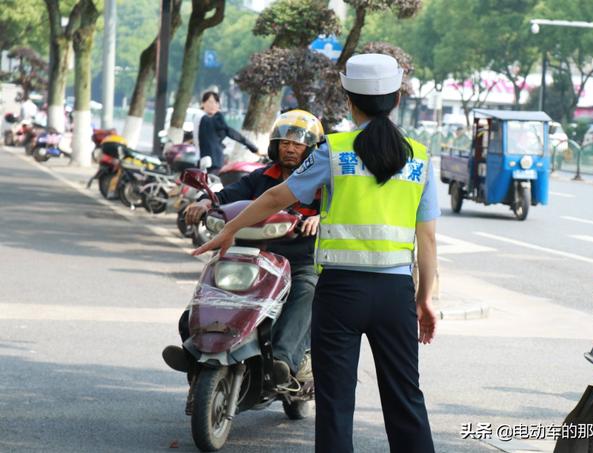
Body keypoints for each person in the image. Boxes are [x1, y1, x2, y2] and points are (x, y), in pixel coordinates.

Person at [191, 54, 439, 453]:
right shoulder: (421, 157)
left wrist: (232, 228)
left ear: (349, 100)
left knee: (336, 401)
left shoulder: (335, 151)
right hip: (395, 296)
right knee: (405, 397)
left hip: (340, 292)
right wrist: (425, 299)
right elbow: (426, 241)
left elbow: (276, 195)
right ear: (395, 100)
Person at [163, 109, 324, 402]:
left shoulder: (321, 182)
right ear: (275, 145)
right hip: (254, 254)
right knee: (212, 283)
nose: (290, 148)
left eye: (298, 144)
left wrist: (322, 219)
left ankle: (283, 362)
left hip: (299, 259)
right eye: (285, 142)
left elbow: (337, 210)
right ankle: (193, 347)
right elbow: (226, 195)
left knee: (306, 289)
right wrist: (202, 201)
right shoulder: (261, 177)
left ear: (311, 149)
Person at [197, 91, 259, 174]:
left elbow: (231, 133)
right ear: (203, 103)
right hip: (207, 161)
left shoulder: (214, 120)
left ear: (218, 105)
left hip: (213, 162)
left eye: (216, 102)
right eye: (210, 102)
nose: (213, 105)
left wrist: (253, 147)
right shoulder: (204, 118)